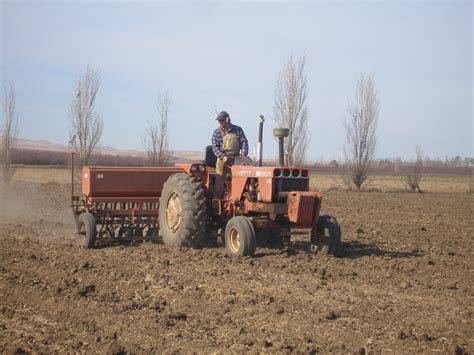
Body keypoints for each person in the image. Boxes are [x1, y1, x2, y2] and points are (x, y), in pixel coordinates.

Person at [211, 111, 249, 199]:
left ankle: (237, 199)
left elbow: (244, 142)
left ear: (227, 119)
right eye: (219, 121)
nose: (220, 122)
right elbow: (215, 147)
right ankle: (216, 202)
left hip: (237, 159)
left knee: (240, 180)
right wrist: (222, 156)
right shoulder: (216, 132)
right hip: (222, 159)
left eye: (222, 120)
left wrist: (243, 155)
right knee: (219, 181)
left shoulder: (238, 130)